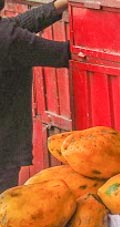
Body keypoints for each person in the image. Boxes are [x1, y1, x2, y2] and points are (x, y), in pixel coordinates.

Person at [0, 0, 70, 192]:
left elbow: (17, 24)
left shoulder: (7, 35)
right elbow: (65, 54)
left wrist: (58, 5)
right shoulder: (7, 39)